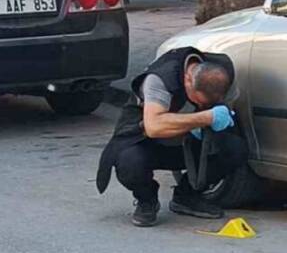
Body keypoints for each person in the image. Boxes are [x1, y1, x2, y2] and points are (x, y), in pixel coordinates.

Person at [96, 47, 249, 228]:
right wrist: (205, 117)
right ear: (188, 79)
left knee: (235, 149)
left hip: (189, 142)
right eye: (198, 100)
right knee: (130, 163)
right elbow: (154, 127)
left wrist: (221, 119)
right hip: (148, 141)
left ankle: (187, 196)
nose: (200, 105)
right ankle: (147, 201)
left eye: (207, 104)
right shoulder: (160, 79)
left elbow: (227, 107)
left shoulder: (222, 71)